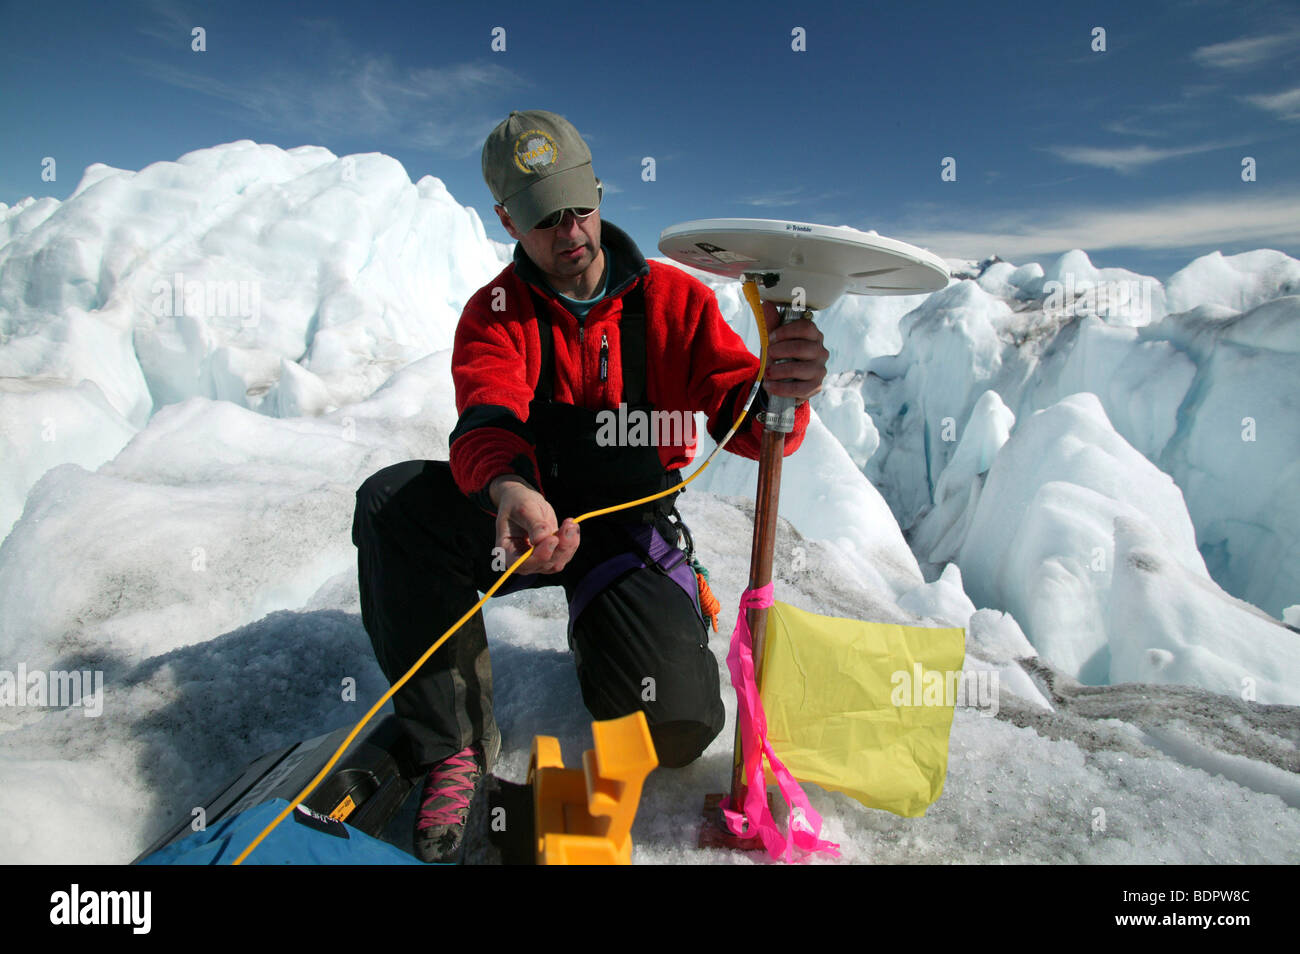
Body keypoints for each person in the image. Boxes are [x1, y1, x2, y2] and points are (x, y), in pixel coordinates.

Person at [351, 109, 828, 863]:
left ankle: (607, 619)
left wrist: (784, 394)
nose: (569, 231)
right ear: (508, 218)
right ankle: (454, 750)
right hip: (523, 523)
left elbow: (745, 424)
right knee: (391, 505)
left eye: (579, 206)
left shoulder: (676, 302)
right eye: (543, 218)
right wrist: (509, 490)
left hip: (624, 531)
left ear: (600, 192)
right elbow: (485, 421)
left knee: (675, 729)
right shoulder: (496, 314)